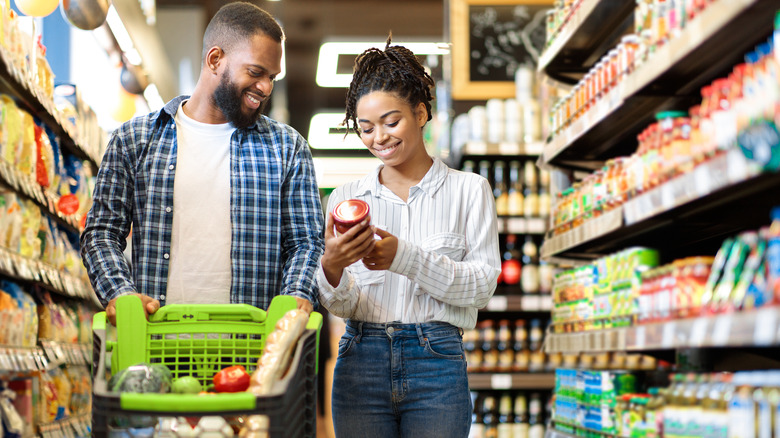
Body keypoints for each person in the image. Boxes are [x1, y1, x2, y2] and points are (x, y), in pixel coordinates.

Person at [80, 2, 324, 325]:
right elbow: (101, 233)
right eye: (255, 72)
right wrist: (120, 293)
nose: (265, 87)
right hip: (157, 348)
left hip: (254, 354)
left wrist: (296, 294)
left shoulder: (287, 148)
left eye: (272, 77)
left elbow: (307, 243)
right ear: (214, 59)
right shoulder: (134, 140)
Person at [318, 37, 501, 437]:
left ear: (420, 113)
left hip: (437, 362)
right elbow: (344, 303)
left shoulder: (470, 190)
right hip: (359, 359)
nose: (378, 138)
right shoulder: (347, 198)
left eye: (391, 121)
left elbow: (483, 285)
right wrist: (330, 268)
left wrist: (405, 258)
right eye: (365, 128)